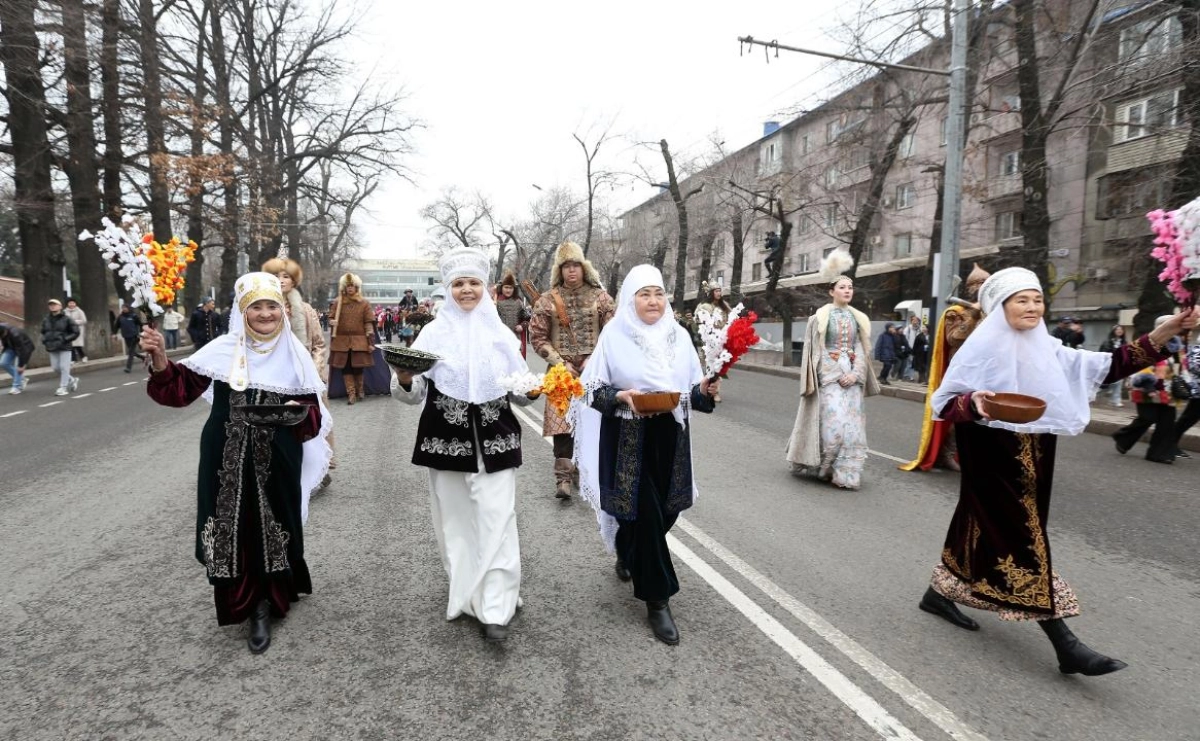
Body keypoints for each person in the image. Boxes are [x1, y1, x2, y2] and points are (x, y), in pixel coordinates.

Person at [918, 267, 1196, 676]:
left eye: (1037, 299)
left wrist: (1165, 331)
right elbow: (944, 402)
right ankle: (1066, 644)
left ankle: (939, 593)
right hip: (991, 455)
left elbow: (1111, 365)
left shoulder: (1048, 347)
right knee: (1020, 534)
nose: (1033, 307)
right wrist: (974, 402)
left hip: (1036, 453)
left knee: (979, 519)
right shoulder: (980, 348)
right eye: (1022, 300)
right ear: (1000, 306)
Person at [142, 272, 331, 654]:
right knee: (234, 525)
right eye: (256, 307)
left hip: (278, 454)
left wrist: (294, 410)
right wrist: (161, 359)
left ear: (282, 310)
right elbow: (178, 391)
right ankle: (254, 605)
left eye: (272, 306)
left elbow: (312, 419)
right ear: (243, 313)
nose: (265, 314)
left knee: (276, 520)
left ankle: (278, 590)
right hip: (224, 454)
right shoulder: (223, 349)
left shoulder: (294, 354)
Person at [572, 264, 720, 645]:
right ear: (630, 299)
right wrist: (621, 396)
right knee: (649, 515)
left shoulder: (679, 336)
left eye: (658, 294)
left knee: (666, 510)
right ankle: (658, 600)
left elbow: (694, 393)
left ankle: (627, 547)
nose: (653, 301)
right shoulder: (614, 335)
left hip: (669, 435)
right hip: (627, 437)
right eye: (644, 295)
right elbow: (591, 390)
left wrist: (706, 391)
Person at [390, 248, 533, 642]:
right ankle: (467, 592)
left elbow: (521, 389)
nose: (466, 290)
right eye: (458, 284)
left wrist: (535, 389)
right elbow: (413, 393)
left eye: (473, 283)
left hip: (497, 437)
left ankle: (496, 606)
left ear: (485, 288)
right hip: (445, 438)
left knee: (497, 517)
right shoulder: (432, 334)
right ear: (448, 288)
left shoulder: (501, 335)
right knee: (455, 521)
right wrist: (404, 377)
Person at [784, 254, 881, 490]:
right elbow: (816, 350)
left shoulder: (858, 318)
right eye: (842, 287)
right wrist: (837, 374)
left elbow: (861, 348)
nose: (847, 291)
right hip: (830, 377)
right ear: (832, 291)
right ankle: (824, 466)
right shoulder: (820, 317)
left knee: (852, 428)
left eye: (850, 287)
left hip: (852, 378)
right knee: (834, 425)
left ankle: (844, 473)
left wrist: (855, 374)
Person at [529, 241, 616, 500]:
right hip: (560, 373)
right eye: (566, 266)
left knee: (592, 422)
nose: (571, 270)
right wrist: (560, 362)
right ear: (560, 270)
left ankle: (586, 469)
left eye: (575, 265)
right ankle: (563, 478)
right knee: (562, 426)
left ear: (583, 267)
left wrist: (593, 359)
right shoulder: (547, 300)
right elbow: (538, 337)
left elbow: (613, 333)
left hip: (595, 372)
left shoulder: (602, 298)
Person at [901, 264, 991, 473]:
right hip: (960, 370)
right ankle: (947, 453)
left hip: (984, 369)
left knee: (984, 413)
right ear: (969, 288)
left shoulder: (992, 312)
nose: (981, 287)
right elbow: (953, 338)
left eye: (985, 283)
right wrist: (973, 315)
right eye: (978, 284)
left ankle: (973, 452)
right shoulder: (956, 312)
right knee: (959, 412)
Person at [1112, 316, 1183, 464]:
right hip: (1146, 388)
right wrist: (1148, 384)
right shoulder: (1147, 343)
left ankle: (1159, 454)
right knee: (1147, 418)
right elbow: (1139, 365)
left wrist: (1184, 384)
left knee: (1167, 423)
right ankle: (1123, 438)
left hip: (1168, 389)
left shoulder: (1176, 346)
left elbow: (1180, 367)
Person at [328, 272, 375, 405]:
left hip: (359, 340)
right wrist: (332, 322)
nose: (350, 288)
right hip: (341, 341)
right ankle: (351, 394)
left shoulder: (364, 303)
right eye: (348, 286)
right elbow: (331, 317)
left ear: (356, 287)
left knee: (358, 367)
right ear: (344, 287)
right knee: (346, 367)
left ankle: (360, 390)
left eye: (352, 286)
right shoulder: (337, 302)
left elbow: (368, 322)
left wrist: (370, 340)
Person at [42, 298, 79, 396]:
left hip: (65, 346)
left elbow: (76, 332)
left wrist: (65, 339)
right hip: (52, 346)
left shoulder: (67, 319)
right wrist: (44, 340)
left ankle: (63, 387)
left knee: (64, 367)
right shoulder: (46, 319)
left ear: (60, 306)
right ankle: (72, 380)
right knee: (55, 368)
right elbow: (43, 332)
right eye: (50, 305)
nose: (52, 306)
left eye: (55, 304)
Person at [494, 270, 531, 358]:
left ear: (514, 289)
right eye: (506, 287)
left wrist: (522, 326)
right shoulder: (496, 302)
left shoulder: (518, 302)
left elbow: (528, 319)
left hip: (515, 339)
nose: (508, 290)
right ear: (502, 288)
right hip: (500, 339)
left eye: (510, 288)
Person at [0, 322, 35, 394]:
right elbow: (5, 342)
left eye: (3, 336)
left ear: (5, 331)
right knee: (3, 363)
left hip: (25, 348)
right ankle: (22, 379)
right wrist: (3, 351)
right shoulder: (2, 329)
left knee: (18, 368)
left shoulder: (16, 334)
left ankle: (16, 387)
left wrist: (22, 365)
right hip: (11, 347)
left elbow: (22, 351)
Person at [1098, 326, 1127, 407]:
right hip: (1109, 364)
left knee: (1118, 382)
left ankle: (1115, 400)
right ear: (1113, 331)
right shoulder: (1108, 341)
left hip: (1119, 365)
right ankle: (1091, 395)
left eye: (1121, 329)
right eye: (1117, 329)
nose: (1119, 331)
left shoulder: (1124, 342)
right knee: (1103, 384)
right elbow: (1103, 352)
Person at [114, 303, 144, 373]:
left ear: (128, 308)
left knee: (130, 352)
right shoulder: (120, 317)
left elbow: (140, 324)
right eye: (123, 308)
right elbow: (116, 326)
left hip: (134, 336)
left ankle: (128, 367)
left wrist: (141, 333)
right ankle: (143, 357)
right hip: (126, 336)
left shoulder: (134, 316)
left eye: (125, 307)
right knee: (131, 352)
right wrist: (114, 334)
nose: (124, 309)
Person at [64, 298, 88, 362]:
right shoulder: (65, 312)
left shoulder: (79, 311)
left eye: (73, 303)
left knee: (78, 345)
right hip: (69, 331)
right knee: (71, 345)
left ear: (75, 303)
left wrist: (74, 322)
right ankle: (73, 359)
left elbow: (84, 320)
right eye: (70, 303)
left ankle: (83, 356)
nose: (71, 304)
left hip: (78, 330)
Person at [900, 315, 922, 380]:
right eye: (913, 320)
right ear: (911, 321)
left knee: (913, 363)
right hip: (909, 348)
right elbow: (904, 338)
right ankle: (906, 375)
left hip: (916, 349)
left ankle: (909, 376)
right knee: (909, 362)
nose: (915, 322)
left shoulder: (920, 330)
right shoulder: (908, 329)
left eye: (916, 320)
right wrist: (906, 347)